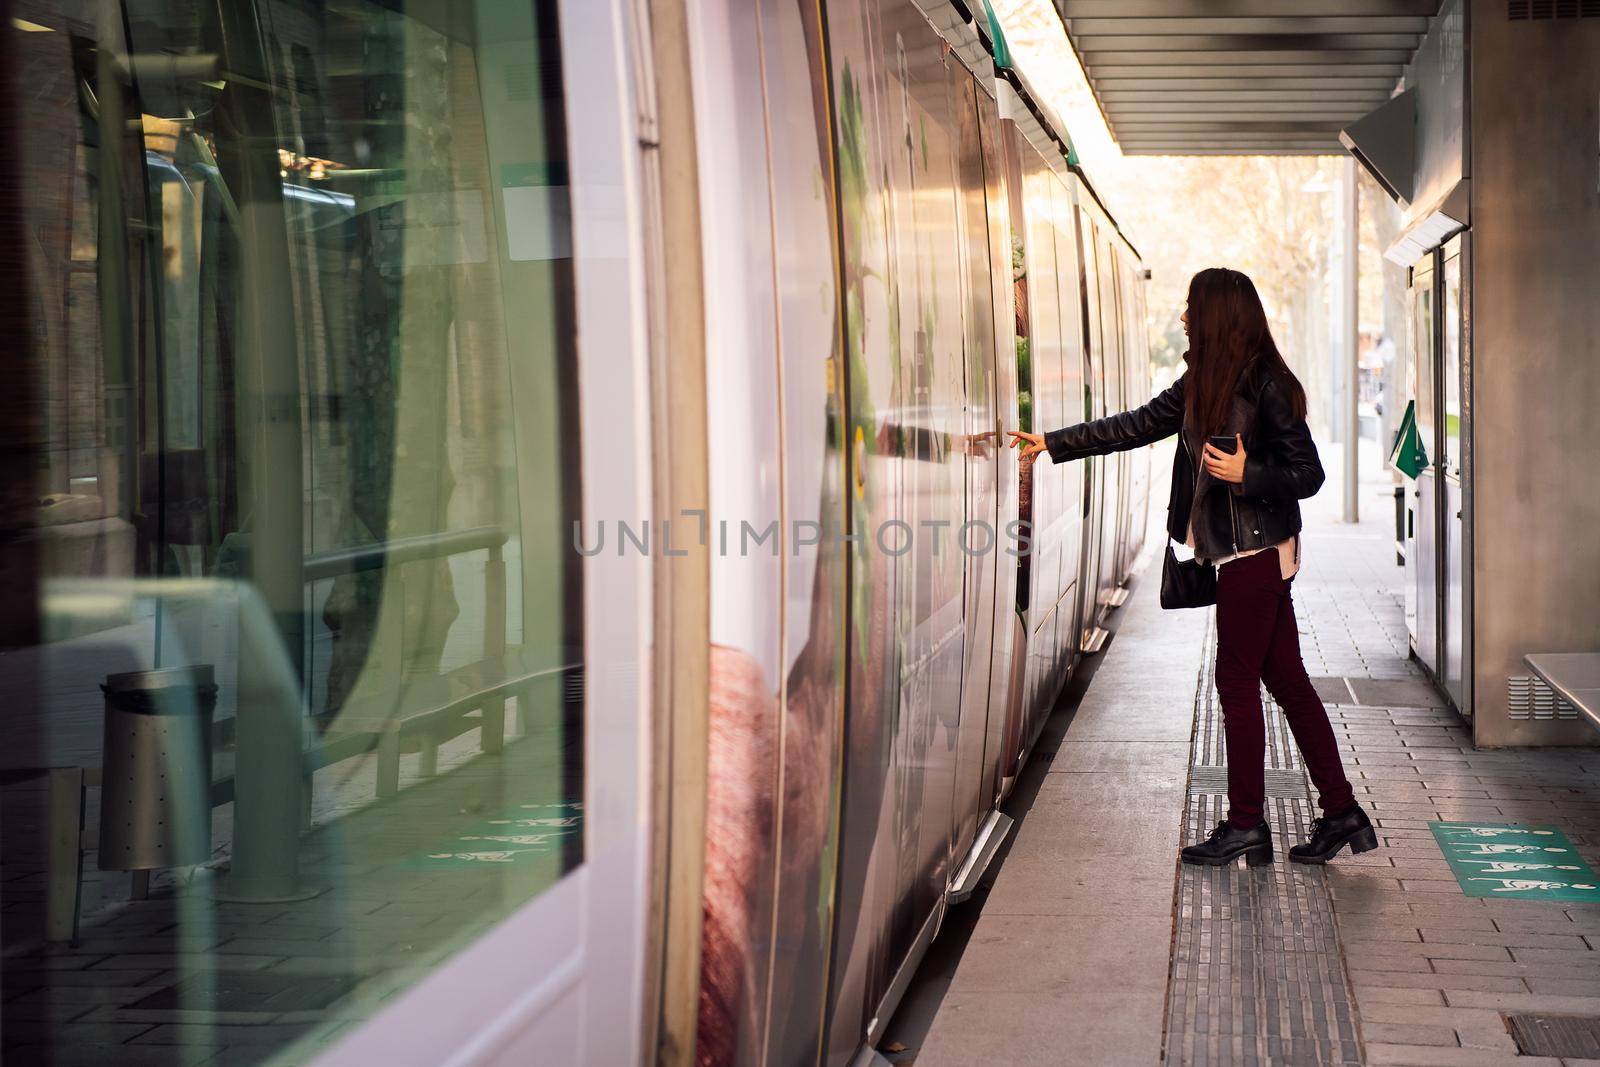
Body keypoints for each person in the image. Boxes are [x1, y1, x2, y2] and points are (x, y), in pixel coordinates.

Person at [1008, 267, 1377, 868]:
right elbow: (1137, 424)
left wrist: (1246, 475)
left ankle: (1246, 825)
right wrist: (1053, 442)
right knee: (1286, 681)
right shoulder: (1203, 381)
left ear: (1218, 316)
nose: (1183, 316)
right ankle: (1340, 812)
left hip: (1255, 555)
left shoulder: (1268, 385)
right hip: (1238, 555)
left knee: (1236, 682)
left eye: (1191, 307)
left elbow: (1309, 474)